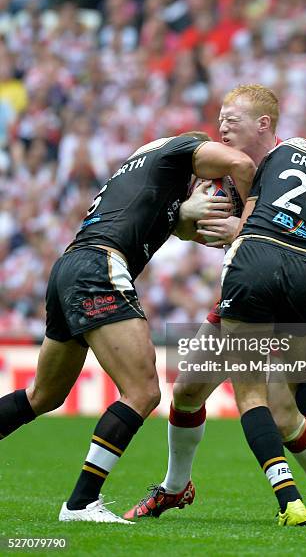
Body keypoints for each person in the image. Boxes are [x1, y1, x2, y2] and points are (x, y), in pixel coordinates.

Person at [125, 86, 306, 524]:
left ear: (264, 124)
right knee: (188, 388)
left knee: (280, 408)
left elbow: (291, 236)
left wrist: (241, 230)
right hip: (246, 289)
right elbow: (206, 230)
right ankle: (175, 488)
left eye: (231, 119)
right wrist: (186, 223)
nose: (222, 127)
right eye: (219, 118)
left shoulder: (288, 161)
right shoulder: (232, 173)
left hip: (287, 288)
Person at [0, 132, 255, 524]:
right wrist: (247, 223)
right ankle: (81, 504)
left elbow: (182, 229)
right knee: (143, 391)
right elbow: (242, 164)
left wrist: (186, 212)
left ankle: (81, 503)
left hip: (69, 267)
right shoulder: (185, 147)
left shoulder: (142, 172)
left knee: (43, 395)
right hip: (100, 267)